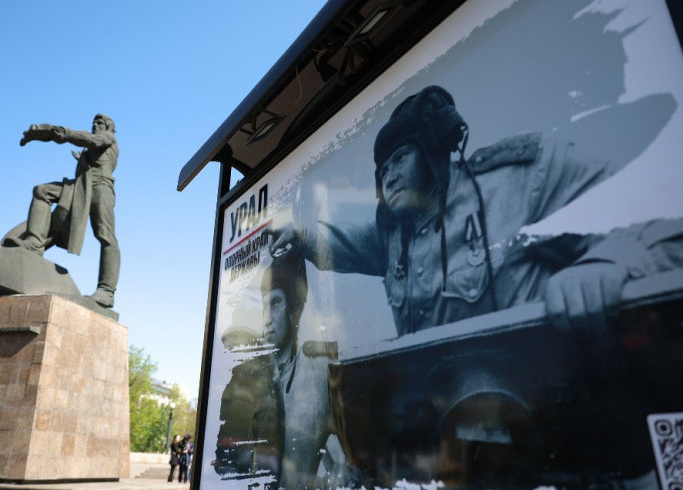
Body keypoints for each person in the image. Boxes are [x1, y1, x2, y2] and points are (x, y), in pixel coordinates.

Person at [269, 85, 683, 338]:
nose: (389, 175)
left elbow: (646, 217)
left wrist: (604, 266)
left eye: (400, 158)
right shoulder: (394, 236)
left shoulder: (519, 179)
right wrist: (301, 235)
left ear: (433, 150)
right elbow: (343, 240)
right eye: (383, 168)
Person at [2, 114, 120, 308]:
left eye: (99, 123)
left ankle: (107, 291)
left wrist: (61, 133)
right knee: (42, 190)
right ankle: (34, 242)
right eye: (93, 123)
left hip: (101, 187)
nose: (94, 125)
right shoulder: (90, 148)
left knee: (105, 235)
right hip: (80, 187)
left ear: (108, 127)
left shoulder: (109, 138)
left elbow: (90, 139)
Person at [260, 253, 350, 489]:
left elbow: (344, 467)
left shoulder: (318, 373)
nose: (266, 319)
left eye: (276, 303)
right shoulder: (255, 380)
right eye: (263, 305)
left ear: (295, 308)